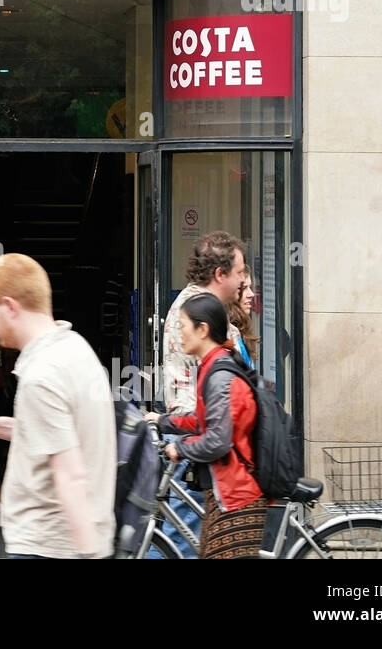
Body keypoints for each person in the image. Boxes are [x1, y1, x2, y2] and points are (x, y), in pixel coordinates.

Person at [0, 253, 115, 559]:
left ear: (11, 306)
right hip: (72, 537)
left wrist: (89, 552)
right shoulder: (76, 348)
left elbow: (69, 474)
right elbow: (66, 435)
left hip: (49, 544)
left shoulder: (42, 375)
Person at [147, 292, 266, 559]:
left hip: (238, 496)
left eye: (183, 326)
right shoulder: (211, 366)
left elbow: (218, 440)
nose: (179, 334)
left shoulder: (219, 375)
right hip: (225, 492)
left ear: (203, 330)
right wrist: (163, 421)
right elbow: (201, 420)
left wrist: (182, 449)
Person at [158, 230, 247, 557]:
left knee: (186, 536)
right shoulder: (202, 312)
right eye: (239, 272)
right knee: (181, 538)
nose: (242, 281)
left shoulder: (194, 306)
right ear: (220, 274)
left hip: (196, 432)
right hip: (198, 436)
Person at [227, 268, 259, 369]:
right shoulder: (226, 333)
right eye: (244, 288)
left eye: (250, 288)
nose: (251, 294)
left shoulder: (240, 329)